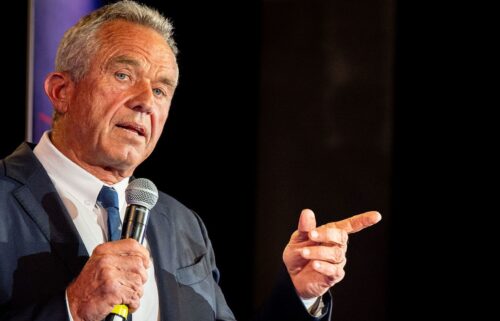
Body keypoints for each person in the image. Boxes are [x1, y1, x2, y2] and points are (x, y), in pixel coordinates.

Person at [0, 1, 381, 320]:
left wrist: (299, 296)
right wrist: (72, 308)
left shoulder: (182, 225)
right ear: (61, 91)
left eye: (161, 90)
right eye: (122, 74)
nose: (146, 101)